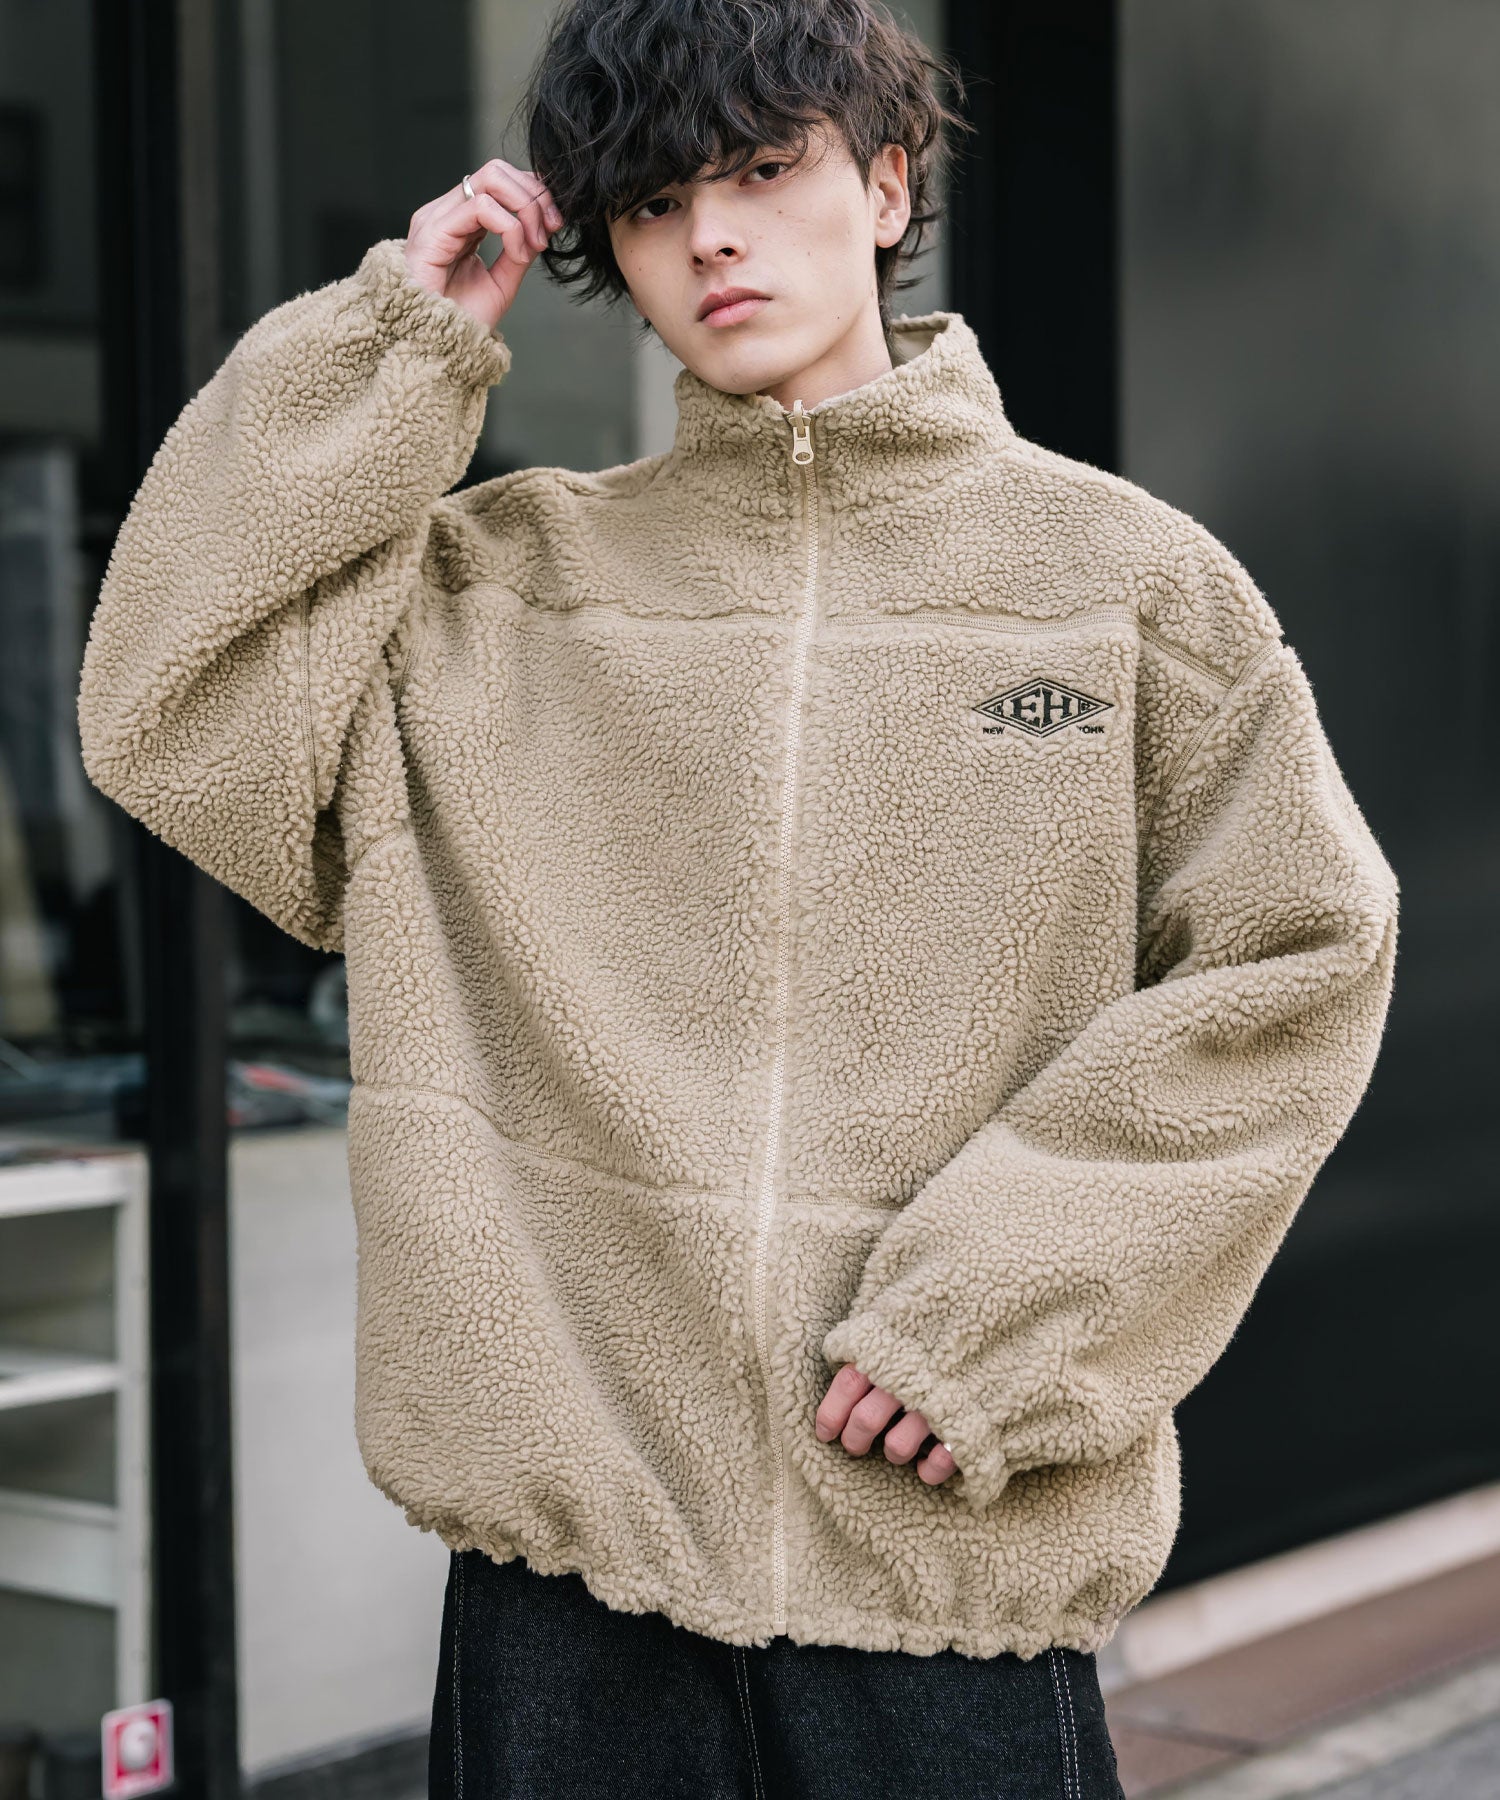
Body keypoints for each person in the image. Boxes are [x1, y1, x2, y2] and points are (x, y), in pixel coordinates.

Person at [76, 0, 1400, 1794]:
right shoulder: (499, 594)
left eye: (764, 171)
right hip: (574, 1599)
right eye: (652, 202)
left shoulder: (1126, 587)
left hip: (946, 1562)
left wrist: (994, 1318)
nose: (709, 236)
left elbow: (1302, 956)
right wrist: (395, 352)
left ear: (887, 186)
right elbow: (169, 706)